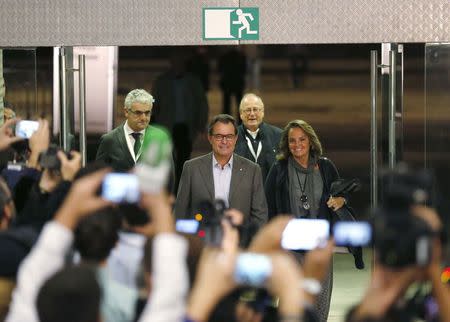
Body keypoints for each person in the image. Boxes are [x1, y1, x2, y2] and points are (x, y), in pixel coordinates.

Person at [264, 119, 347, 322]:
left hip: (320, 245)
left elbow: (341, 195)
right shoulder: (279, 168)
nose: (297, 144)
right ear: (286, 143)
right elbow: (269, 207)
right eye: (292, 140)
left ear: (311, 141)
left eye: (302, 139)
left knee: (319, 305)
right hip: (290, 246)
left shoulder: (326, 167)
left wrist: (341, 200)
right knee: (289, 304)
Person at [174, 114, 267, 232]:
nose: (224, 141)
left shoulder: (252, 170)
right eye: (219, 136)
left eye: (229, 136)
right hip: (201, 242)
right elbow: (180, 213)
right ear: (210, 138)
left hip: (240, 242)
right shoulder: (191, 168)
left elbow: (260, 217)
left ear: (236, 138)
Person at [151, 52, 209, 191]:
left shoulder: (193, 81)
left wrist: (201, 123)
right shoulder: (162, 81)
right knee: (167, 160)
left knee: (183, 160)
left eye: (180, 61)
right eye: (175, 61)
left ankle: (180, 189)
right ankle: (168, 187)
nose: (177, 64)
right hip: (166, 127)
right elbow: (154, 104)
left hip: (186, 126)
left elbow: (202, 103)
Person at [96, 89, 155, 172]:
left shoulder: (159, 138)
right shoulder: (110, 140)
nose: (143, 118)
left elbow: (169, 177)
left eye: (147, 113)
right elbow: (98, 175)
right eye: (138, 113)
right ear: (126, 112)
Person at [235, 93, 282, 181]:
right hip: (242, 192)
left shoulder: (278, 136)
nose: (252, 114)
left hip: (269, 193)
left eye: (255, 109)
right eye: (248, 110)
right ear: (241, 114)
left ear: (262, 112)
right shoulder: (232, 137)